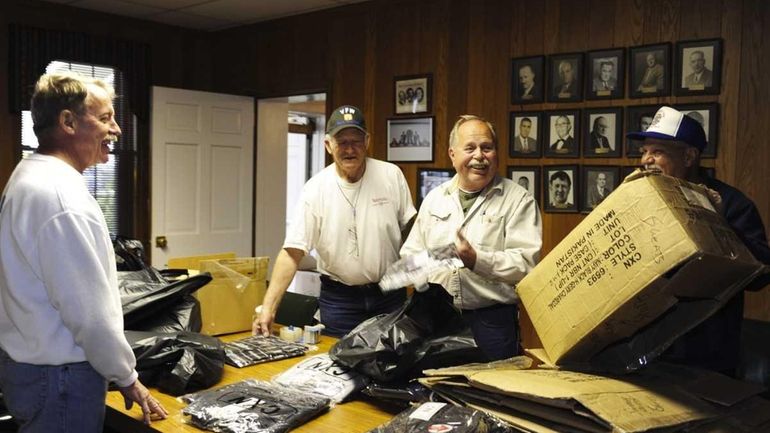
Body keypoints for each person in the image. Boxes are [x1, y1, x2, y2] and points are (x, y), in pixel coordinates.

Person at [0, 72, 167, 431]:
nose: (118, 130)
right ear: (68, 122)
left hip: (31, 368)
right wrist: (126, 376)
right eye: (105, 118)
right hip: (60, 379)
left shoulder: (28, 176)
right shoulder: (61, 198)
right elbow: (89, 315)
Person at [627, 106, 770, 375]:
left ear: (689, 156)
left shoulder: (732, 204)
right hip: (646, 348)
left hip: (706, 352)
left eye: (657, 152)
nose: (646, 160)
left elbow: (761, 275)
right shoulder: (642, 199)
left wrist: (717, 225)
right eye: (644, 151)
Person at [253, 105, 417, 338]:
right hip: (340, 302)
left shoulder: (391, 175)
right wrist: (268, 308)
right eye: (342, 142)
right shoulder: (315, 189)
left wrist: (414, 274)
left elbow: (411, 228)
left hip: (390, 295)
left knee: (393, 365)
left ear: (367, 141)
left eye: (356, 141)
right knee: (340, 369)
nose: (350, 149)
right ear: (328, 145)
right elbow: (292, 252)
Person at [401, 115, 542, 361]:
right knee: (437, 390)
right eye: (470, 148)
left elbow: (526, 265)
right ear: (452, 154)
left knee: (490, 396)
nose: (479, 156)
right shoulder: (435, 198)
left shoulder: (518, 200)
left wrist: (476, 260)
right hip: (436, 319)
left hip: (492, 323)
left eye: (487, 148)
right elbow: (410, 255)